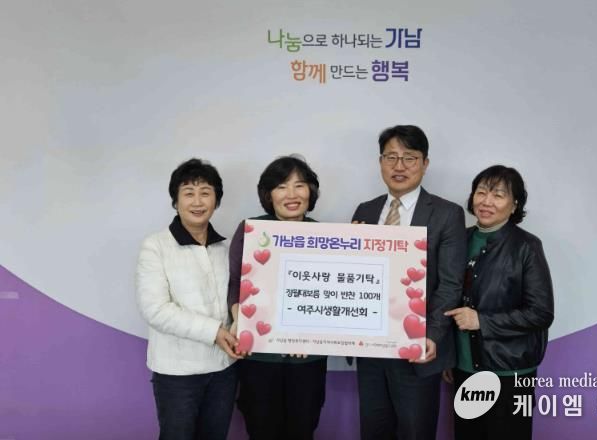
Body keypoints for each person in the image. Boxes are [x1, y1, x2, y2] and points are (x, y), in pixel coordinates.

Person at [351, 125, 467, 440]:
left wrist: (432, 334)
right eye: (391, 157)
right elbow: (355, 278)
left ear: (425, 163)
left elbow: (450, 284)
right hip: (371, 348)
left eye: (409, 158)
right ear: (380, 162)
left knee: (416, 432)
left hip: (418, 348)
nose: (399, 166)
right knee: (373, 431)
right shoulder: (366, 210)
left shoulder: (447, 214)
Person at [445, 165, 554, 440]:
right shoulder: (459, 239)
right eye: (481, 192)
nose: (487, 201)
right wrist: (448, 356)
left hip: (510, 371)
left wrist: (481, 321)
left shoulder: (526, 246)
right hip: (465, 368)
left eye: (498, 195)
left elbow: (541, 312)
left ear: (515, 204)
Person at [136, 158, 240, 440]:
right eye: (188, 193)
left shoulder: (226, 247)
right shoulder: (155, 246)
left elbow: (237, 299)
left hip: (224, 369)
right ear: (176, 200)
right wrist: (214, 331)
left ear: (216, 200)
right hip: (177, 374)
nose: (197, 201)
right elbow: (155, 310)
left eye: (205, 192)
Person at [228, 155, 327, 440]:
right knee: (261, 428)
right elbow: (235, 282)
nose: (291, 194)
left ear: (311, 191)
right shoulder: (250, 230)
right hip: (260, 356)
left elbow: (333, 297)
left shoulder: (327, 235)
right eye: (281, 187)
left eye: (299, 185)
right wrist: (239, 318)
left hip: (307, 358)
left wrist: (358, 242)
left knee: (303, 428)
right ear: (268, 194)